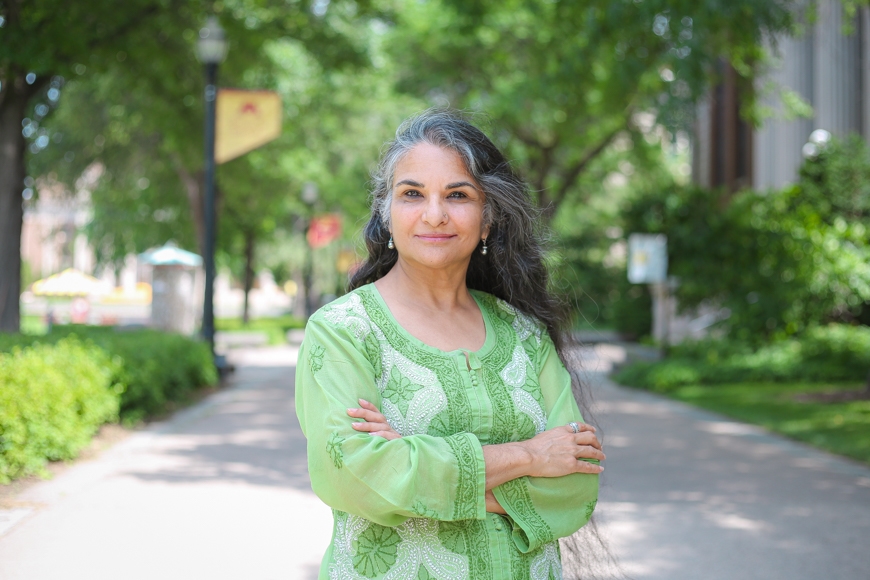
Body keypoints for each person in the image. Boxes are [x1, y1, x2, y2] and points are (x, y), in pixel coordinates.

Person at [296, 109, 605, 580]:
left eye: (457, 195)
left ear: (487, 220)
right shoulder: (343, 331)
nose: (434, 214)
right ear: (387, 214)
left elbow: (576, 485)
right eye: (412, 194)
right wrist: (529, 457)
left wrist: (412, 469)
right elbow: (353, 476)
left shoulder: (524, 334)